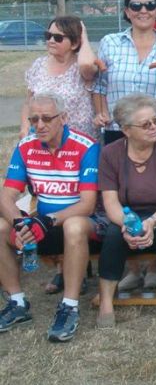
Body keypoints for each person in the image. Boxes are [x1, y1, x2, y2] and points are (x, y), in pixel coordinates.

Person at [94, 0, 156, 291]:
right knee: (123, 196)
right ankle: (133, 267)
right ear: (126, 11)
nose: (143, 10)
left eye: (149, 5)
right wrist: (100, 112)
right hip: (119, 130)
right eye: (136, 5)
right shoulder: (110, 43)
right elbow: (99, 86)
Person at [0, 92, 100, 342]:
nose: (39, 125)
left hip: (79, 224)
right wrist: (19, 223)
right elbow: (6, 195)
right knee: (0, 227)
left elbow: (88, 205)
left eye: (46, 118)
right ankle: (17, 302)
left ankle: (69, 306)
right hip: (40, 224)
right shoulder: (26, 146)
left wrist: (48, 220)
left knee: (74, 226)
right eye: (34, 119)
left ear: (63, 118)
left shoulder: (86, 146)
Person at [96, 93, 156, 328]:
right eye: (145, 124)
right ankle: (106, 303)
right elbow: (110, 201)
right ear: (126, 130)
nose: (153, 127)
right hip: (127, 213)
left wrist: (151, 221)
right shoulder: (110, 153)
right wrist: (126, 224)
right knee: (113, 234)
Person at [21, 15, 99, 295]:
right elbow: (29, 101)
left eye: (58, 37)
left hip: (79, 148)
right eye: (48, 35)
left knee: (79, 204)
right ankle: (60, 268)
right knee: (49, 199)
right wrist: (25, 131)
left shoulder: (82, 67)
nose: (50, 41)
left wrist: (84, 34)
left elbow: (88, 64)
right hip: (45, 146)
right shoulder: (38, 66)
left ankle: (81, 265)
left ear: (74, 42)